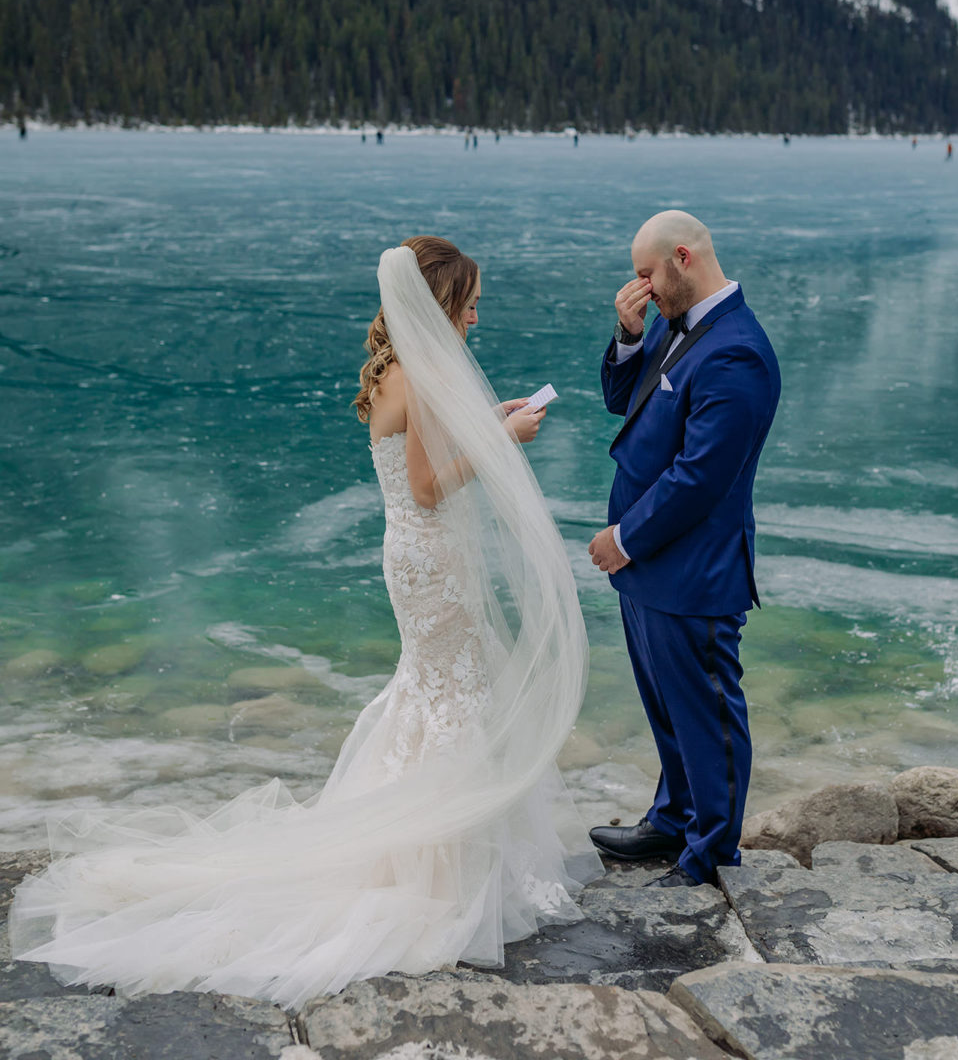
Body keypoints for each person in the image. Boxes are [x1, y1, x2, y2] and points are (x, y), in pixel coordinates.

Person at [11, 237, 599, 1005]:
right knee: (451, 696)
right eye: (469, 302)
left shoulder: (405, 369)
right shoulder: (418, 371)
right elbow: (427, 488)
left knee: (436, 690)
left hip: (421, 559)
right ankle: (443, 870)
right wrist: (503, 443)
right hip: (430, 560)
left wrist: (486, 417)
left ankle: (440, 848)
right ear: (439, 305)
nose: (477, 314)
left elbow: (425, 450)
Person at [587, 210, 780, 888]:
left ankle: (710, 855)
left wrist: (624, 538)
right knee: (667, 706)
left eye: (646, 275)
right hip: (647, 567)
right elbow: (622, 403)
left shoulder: (737, 352)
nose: (639, 287)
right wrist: (629, 334)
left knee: (708, 715)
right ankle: (672, 821)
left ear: (683, 258)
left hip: (692, 566)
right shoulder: (676, 324)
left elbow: (702, 476)